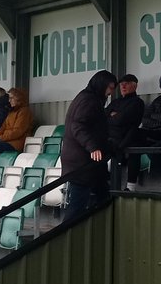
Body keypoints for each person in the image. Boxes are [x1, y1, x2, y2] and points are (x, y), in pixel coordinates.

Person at [62, 70, 117, 220]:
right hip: (82, 161)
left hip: (84, 160)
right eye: (110, 88)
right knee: (78, 204)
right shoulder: (89, 100)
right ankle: (65, 236)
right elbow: (78, 126)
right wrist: (92, 147)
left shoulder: (87, 97)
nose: (111, 93)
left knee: (101, 195)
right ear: (102, 85)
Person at [105, 74, 145, 190]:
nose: (123, 86)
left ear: (135, 86)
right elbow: (103, 115)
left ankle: (130, 186)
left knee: (134, 147)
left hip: (124, 138)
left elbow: (122, 120)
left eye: (126, 83)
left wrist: (113, 116)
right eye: (121, 84)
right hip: (109, 137)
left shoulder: (137, 102)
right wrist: (113, 117)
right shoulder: (116, 101)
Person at [0, 88, 34, 153]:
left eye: (11, 98)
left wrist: (0, 138)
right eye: (9, 98)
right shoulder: (11, 112)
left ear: (18, 98)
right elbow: (3, 127)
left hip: (16, 143)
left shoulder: (24, 112)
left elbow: (17, 132)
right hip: (6, 141)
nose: (9, 101)